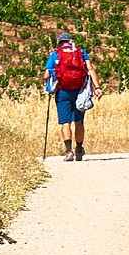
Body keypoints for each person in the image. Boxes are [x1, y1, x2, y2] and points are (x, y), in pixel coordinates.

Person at [43, 31, 92, 162]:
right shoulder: (81, 53)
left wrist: (49, 86)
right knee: (79, 122)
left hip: (62, 91)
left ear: (59, 43)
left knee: (65, 122)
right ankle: (79, 149)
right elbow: (90, 69)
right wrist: (96, 87)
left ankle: (69, 151)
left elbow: (46, 75)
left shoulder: (54, 55)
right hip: (80, 91)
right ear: (71, 41)